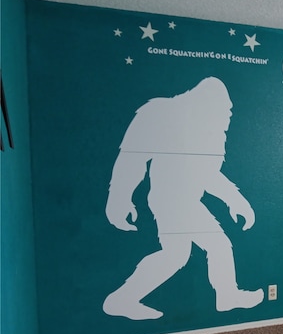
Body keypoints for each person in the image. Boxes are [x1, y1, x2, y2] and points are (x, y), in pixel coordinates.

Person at [103, 77, 263, 320]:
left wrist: (236, 201)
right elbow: (132, 158)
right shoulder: (161, 112)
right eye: (224, 111)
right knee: (210, 247)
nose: (227, 118)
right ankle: (227, 296)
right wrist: (119, 199)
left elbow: (208, 175)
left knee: (179, 254)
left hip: (185, 201)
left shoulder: (208, 131)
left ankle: (122, 299)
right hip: (170, 199)